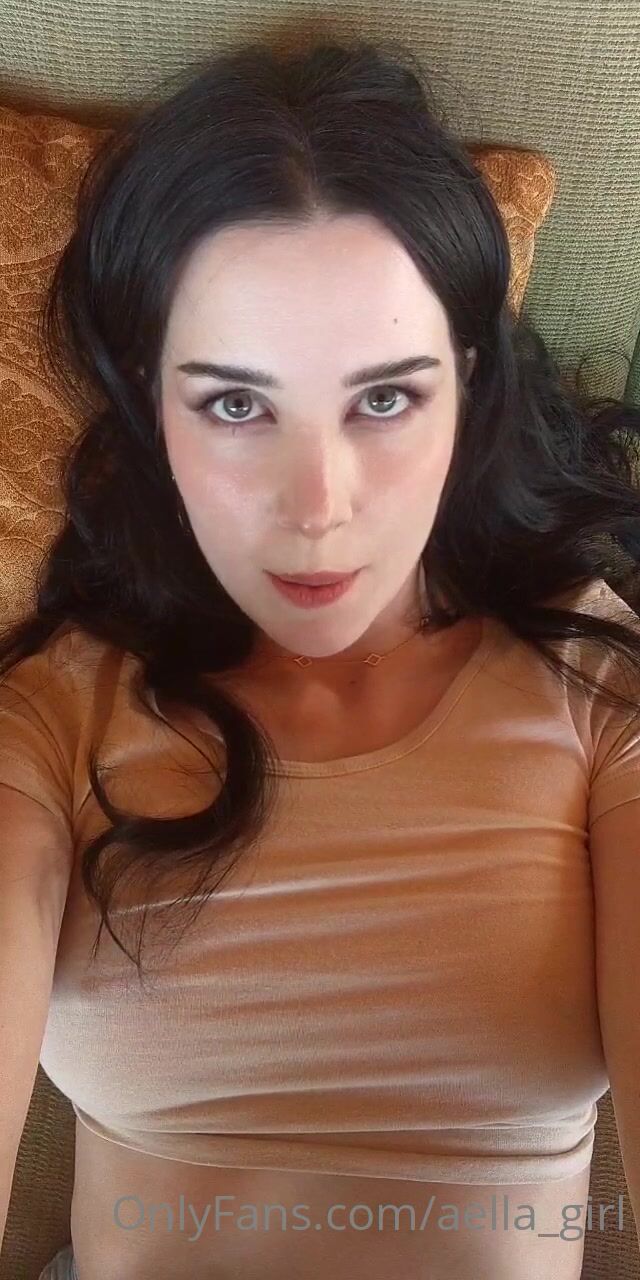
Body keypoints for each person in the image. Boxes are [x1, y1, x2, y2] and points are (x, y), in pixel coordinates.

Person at [2, 36, 640, 1280]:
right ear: (151, 405)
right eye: (236, 403)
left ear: (467, 386)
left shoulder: (595, 689)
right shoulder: (56, 709)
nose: (318, 507)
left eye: (385, 398)